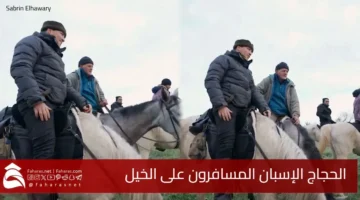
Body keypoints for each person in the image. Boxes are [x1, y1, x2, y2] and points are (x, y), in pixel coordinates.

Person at [10, 20, 91, 200]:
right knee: (45, 152)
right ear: (50, 30)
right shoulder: (31, 42)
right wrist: (37, 101)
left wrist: (81, 102)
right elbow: (20, 68)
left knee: (66, 147)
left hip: (55, 107)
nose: (64, 39)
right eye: (62, 35)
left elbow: (65, 86)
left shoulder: (56, 58)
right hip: (35, 104)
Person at [204, 39, 270, 200]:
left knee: (244, 149)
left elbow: (253, 91)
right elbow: (211, 80)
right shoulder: (223, 60)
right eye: (248, 49)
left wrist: (263, 107)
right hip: (227, 110)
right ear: (238, 47)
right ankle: (222, 195)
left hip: (243, 113)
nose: (250, 53)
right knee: (225, 148)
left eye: (251, 51)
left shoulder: (247, 72)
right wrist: (220, 105)